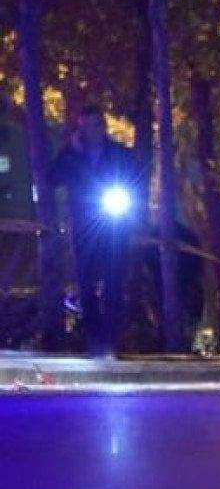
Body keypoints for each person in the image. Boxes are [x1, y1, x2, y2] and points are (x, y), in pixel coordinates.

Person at [50, 105, 143, 355]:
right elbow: (53, 178)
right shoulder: (73, 156)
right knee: (86, 282)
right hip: (83, 228)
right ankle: (94, 338)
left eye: (95, 125)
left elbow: (135, 180)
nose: (91, 131)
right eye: (85, 126)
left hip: (114, 227)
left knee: (114, 282)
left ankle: (112, 338)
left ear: (103, 126)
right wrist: (70, 150)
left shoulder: (119, 154)